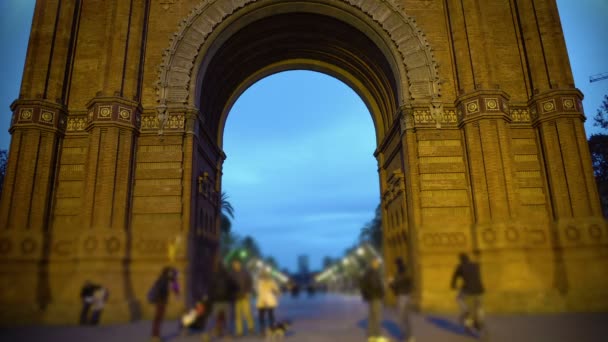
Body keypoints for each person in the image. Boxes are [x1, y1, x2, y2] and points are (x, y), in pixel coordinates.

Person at [451, 252, 485, 332]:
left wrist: (453, 285)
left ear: (460, 260)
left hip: (468, 290)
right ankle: (479, 320)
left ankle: (466, 311)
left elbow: (454, 277)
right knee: (479, 304)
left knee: (459, 298)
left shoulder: (460, 266)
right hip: (480, 289)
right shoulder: (476, 265)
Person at [206, 261, 238, 339]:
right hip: (226, 301)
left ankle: (208, 335)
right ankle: (228, 335)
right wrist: (232, 295)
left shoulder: (214, 277)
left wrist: (211, 298)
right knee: (228, 319)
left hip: (216, 301)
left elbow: (210, 288)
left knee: (214, 318)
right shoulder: (228, 277)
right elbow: (235, 287)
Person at [148, 266, 180, 342]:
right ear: (168, 273)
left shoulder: (165, 279)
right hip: (161, 301)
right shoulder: (163, 280)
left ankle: (155, 336)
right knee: (158, 318)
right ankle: (155, 336)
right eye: (171, 273)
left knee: (158, 318)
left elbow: (175, 285)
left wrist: (176, 292)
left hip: (161, 301)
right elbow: (171, 287)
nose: (173, 275)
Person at [389, 258, 414, 342]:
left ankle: (404, 336)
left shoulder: (399, 274)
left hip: (402, 297)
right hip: (408, 296)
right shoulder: (408, 272)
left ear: (397, 264)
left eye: (395, 264)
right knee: (407, 317)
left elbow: (395, 286)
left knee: (401, 317)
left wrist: (390, 283)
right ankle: (410, 336)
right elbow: (410, 283)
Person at [360, 258, 385, 341]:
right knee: (377, 317)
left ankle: (371, 336)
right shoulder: (374, 272)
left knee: (371, 317)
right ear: (373, 263)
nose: (378, 264)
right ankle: (378, 336)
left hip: (371, 297)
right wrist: (382, 291)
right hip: (375, 297)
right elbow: (375, 285)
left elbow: (364, 285)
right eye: (376, 263)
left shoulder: (367, 272)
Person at [231, 259, 254, 337]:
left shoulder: (245, 272)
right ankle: (239, 331)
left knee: (247, 313)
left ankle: (251, 328)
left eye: (237, 263)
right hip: (236, 297)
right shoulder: (232, 273)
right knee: (238, 315)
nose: (235, 265)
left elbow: (250, 282)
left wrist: (248, 292)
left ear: (240, 264)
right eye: (234, 264)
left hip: (245, 296)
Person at [256, 269, 280, 336]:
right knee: (261, 316)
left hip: (269, 300)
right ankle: (262, 330)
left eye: (265, 275)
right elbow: (257, 291)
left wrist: (275, 293)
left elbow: (276, 290)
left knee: (270, 315)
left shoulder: (271, 281)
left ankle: (272, 329)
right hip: (261, 300)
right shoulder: (259, 282)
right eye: (262, 275)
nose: (264, 276)